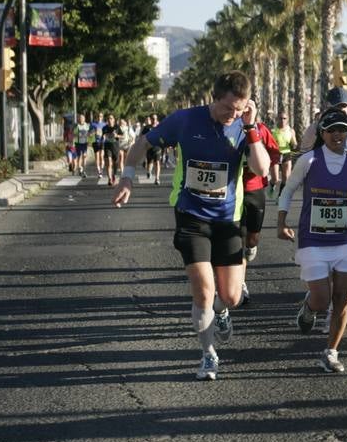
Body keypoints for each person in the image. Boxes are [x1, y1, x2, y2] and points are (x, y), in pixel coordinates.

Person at [113, 71, 270, 380]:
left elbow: (261, 168)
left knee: (232, 296)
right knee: (204, 291)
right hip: (192, 216)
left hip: (228, 220)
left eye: (240, 109)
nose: (233, 115)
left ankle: (222, 311)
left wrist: (250, 127)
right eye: (228, 108)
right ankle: (208, 354)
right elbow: (143, 143)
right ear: (215, 98)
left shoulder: (246, 126)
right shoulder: (185, 120)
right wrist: (127, 176)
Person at [276, 108, 347, 373]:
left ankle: (331, 352)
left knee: (342, 298)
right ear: (323, 133)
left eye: (342, 129)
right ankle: (309, 308)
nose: (338, 135)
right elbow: (288, 190)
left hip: (343, 238)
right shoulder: (308, 160)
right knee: (322, 299)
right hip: (313, 239)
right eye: (332, 130)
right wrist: (281, 221)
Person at [239, 107, 282, 304]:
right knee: (236, 239)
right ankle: (240, 283)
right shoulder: (230, 129)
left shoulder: (262, 130)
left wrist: (275, 178)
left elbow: (274, 155)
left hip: (255, 188)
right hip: (233, 189)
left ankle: (250, 246)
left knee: (252, 239)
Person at [270, 112, 297, 196]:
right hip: (275, 154)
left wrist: (294, 145)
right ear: (277, 119)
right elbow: (267, 144)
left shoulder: (291, 131)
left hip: (286, 154)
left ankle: (280, 196)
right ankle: (272, 185)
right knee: (275, 179)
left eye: (284, 118)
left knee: (286, 178)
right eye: (280, 118)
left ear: (287, 120)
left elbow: (294, 143)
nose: (282, 120)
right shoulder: (272, 131)